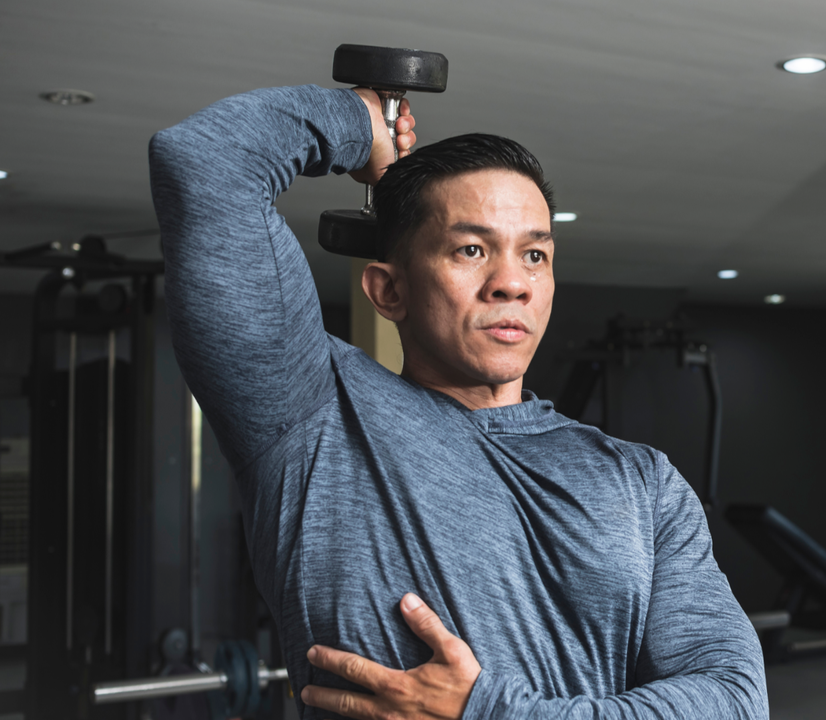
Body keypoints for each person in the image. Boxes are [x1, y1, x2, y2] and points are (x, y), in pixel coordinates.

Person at [149, 83, 766, 719]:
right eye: (471, 250)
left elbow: (734, 702)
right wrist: (359, 122)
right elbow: (204, 161)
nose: (511, 283)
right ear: (388, 291)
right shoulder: (311, 417)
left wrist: (487, 712)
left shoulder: (643, 482)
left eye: (534, 255)